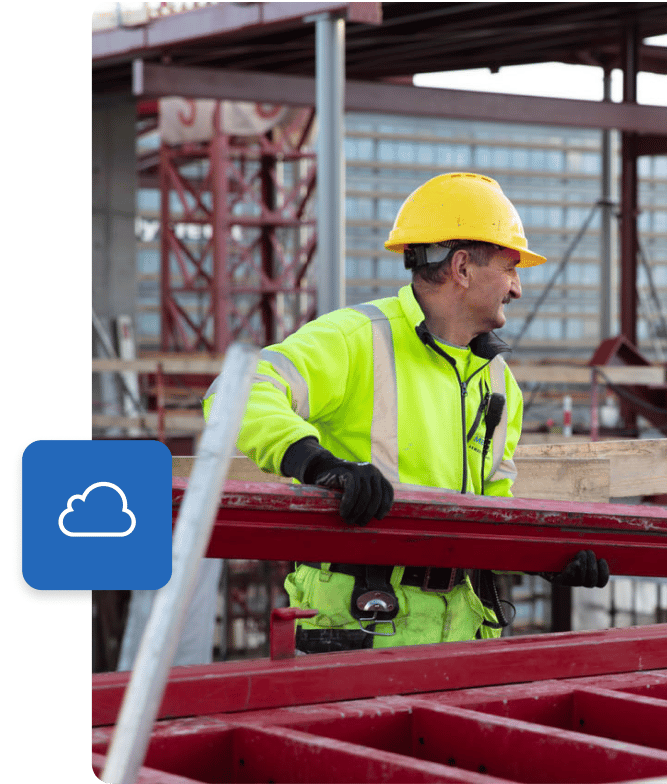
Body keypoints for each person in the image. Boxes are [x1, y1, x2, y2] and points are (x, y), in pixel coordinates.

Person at [203, 172, 610, 654]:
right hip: (359, 630)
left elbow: (494, 508)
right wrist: (320, 466)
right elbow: (236, 390)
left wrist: (544, 558)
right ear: (462, 267)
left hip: (462, 642)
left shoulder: (498, 383)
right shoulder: (359, 339)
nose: (517, 288)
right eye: (510, 267)